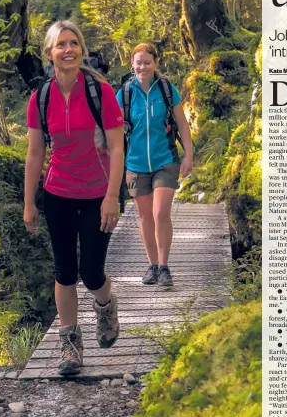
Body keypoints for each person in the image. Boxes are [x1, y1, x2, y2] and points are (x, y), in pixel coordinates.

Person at [23, 21, 125, 376]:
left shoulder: (100, 92)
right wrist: (29, 202)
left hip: (99, 194)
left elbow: (116, 146)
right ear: (49, 54)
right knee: (64, 270)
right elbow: (35, 153)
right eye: (60, 45)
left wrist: (112, 196)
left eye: (74, 44)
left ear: (81, 50)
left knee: (91, 271)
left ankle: (105, 304)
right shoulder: (41, 97)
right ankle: (70, 345)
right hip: (58, 193)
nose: (68, 50)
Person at [117, 43, 193, 288]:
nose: (142, 67)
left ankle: (164, 266)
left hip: (165, 160)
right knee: (144, 216)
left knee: (160, 213)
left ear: (155, 63)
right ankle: (151, 265)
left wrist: (188, 155)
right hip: (136, 163)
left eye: (147, 62)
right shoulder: (125, 94)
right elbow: (114, 130)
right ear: (132, 64)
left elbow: (182, 123)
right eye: (138, 62)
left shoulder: (167, 90)